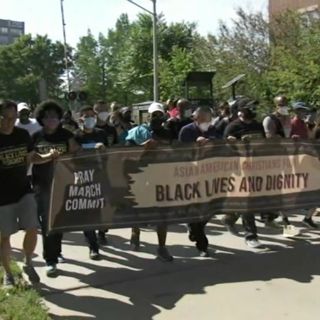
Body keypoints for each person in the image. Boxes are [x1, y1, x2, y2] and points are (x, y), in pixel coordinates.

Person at [0, 100, 58, 287]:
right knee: (5, 236)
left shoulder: (23, 135)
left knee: (33, 227)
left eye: (12, 117)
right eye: (5, 118)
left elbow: (32, 157)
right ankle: (8, 274)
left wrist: (49, 156)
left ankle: (28, 262)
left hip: (24, 189)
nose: (9, 122)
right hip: (2, 197)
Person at [32, 100, 79, 277]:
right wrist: (47, 156)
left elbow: (76, 153)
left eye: (54, 116)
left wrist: (64, 157)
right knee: (47, 223)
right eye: (47, 116)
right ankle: (49, 260)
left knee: (59, 222)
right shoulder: (36, 136)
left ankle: (57, 252)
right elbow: (31, 158)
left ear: (59, 118)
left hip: (63, 183)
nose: (51, 119)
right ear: (41, 119)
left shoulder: (66, 135)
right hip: (42, 185)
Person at [125, 102, 173, 262]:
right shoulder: (136, 132)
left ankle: (162, 247)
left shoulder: (167, 133)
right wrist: (143, 147)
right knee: (137, 208)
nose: (157, 118)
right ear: (148, 116)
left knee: (162, 213)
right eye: (154, 115)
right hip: (140, 176)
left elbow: (176, 153)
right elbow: (125, 154)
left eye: (160, 115)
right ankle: (135, 233)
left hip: (161, 177)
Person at [223, 97, 264, 249]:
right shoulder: (232, 127)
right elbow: (223, 150)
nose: (253, 110)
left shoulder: (257, 125)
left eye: (254, 107)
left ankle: (230, 217)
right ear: (242, 110)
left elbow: (263, 145)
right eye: (250, 107)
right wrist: (234, 143)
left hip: (256, 168)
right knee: (248, 201)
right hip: (239, 170)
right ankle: (251, 235)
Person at [178, 106, 218, 257]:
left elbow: (219, 144)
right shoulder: (186, 131)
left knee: (208, 210)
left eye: (207, 119)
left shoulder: (213, 129)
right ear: (195, 118)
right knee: (195, 210)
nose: (205, 122)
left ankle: (194, 229)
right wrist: (196, 144)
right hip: (191, 176)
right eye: (201, 119)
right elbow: (181, 152)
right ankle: (202, 246)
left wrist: (211, 142)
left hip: (210, 175)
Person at [75, 105, 110, 259]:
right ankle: (93, 246)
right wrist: (90, 148)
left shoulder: (101, 134)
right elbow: (74, 155)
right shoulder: (76, 136)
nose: (90, 118)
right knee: (88, 211)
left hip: (101, 174)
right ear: (80, 118)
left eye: (92, 115)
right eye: (86, 115)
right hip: (83, 177)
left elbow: (109, 154)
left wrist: (103, 150)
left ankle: (102, 232)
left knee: (102, 208)